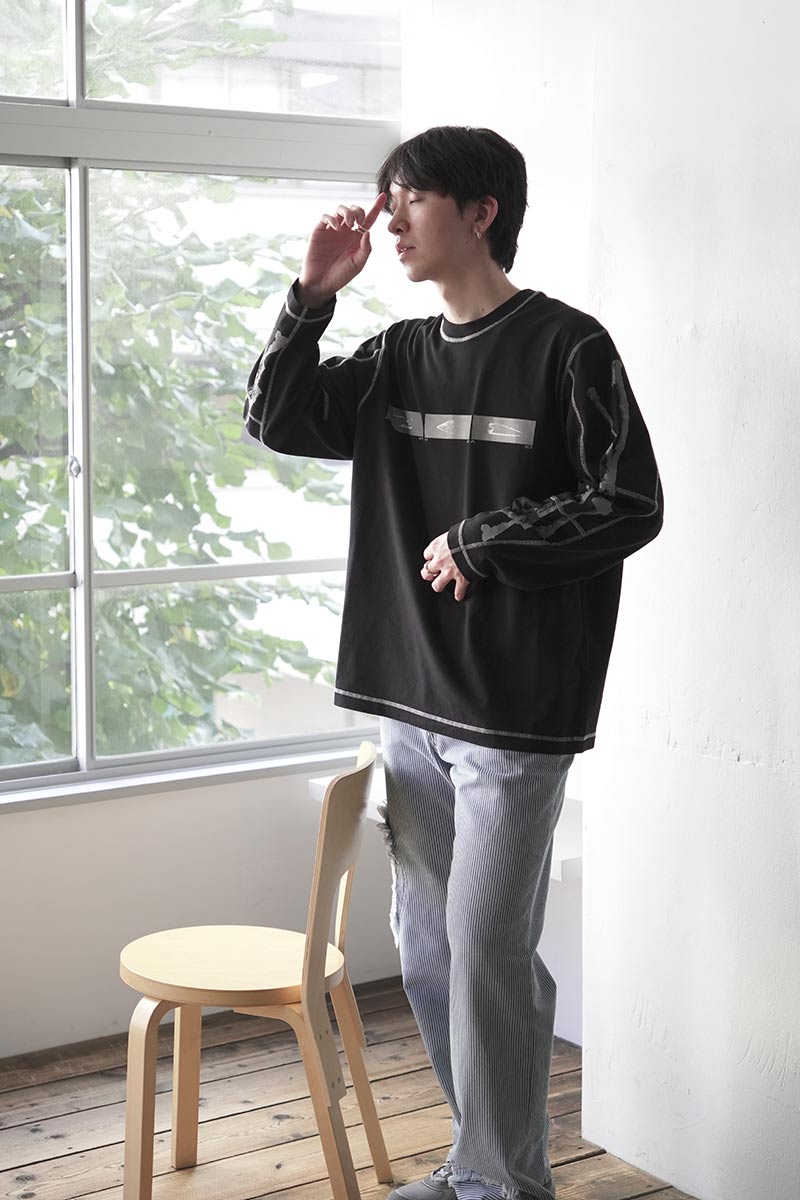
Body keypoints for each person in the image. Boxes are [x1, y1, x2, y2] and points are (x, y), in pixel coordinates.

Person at [244, 125, 663, 1200]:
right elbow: (277, 418)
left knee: (485, 951)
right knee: (431, 954)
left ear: (481, 212)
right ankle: (482, 1163)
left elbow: (629, 502)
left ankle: (500, 1184)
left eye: (411, 199)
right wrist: (311, 297)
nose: (389, 221)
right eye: (386, 200)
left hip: (514, 711)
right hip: (408, 698)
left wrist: (487, 540)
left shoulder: (568, 347)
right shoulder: (393, 354)